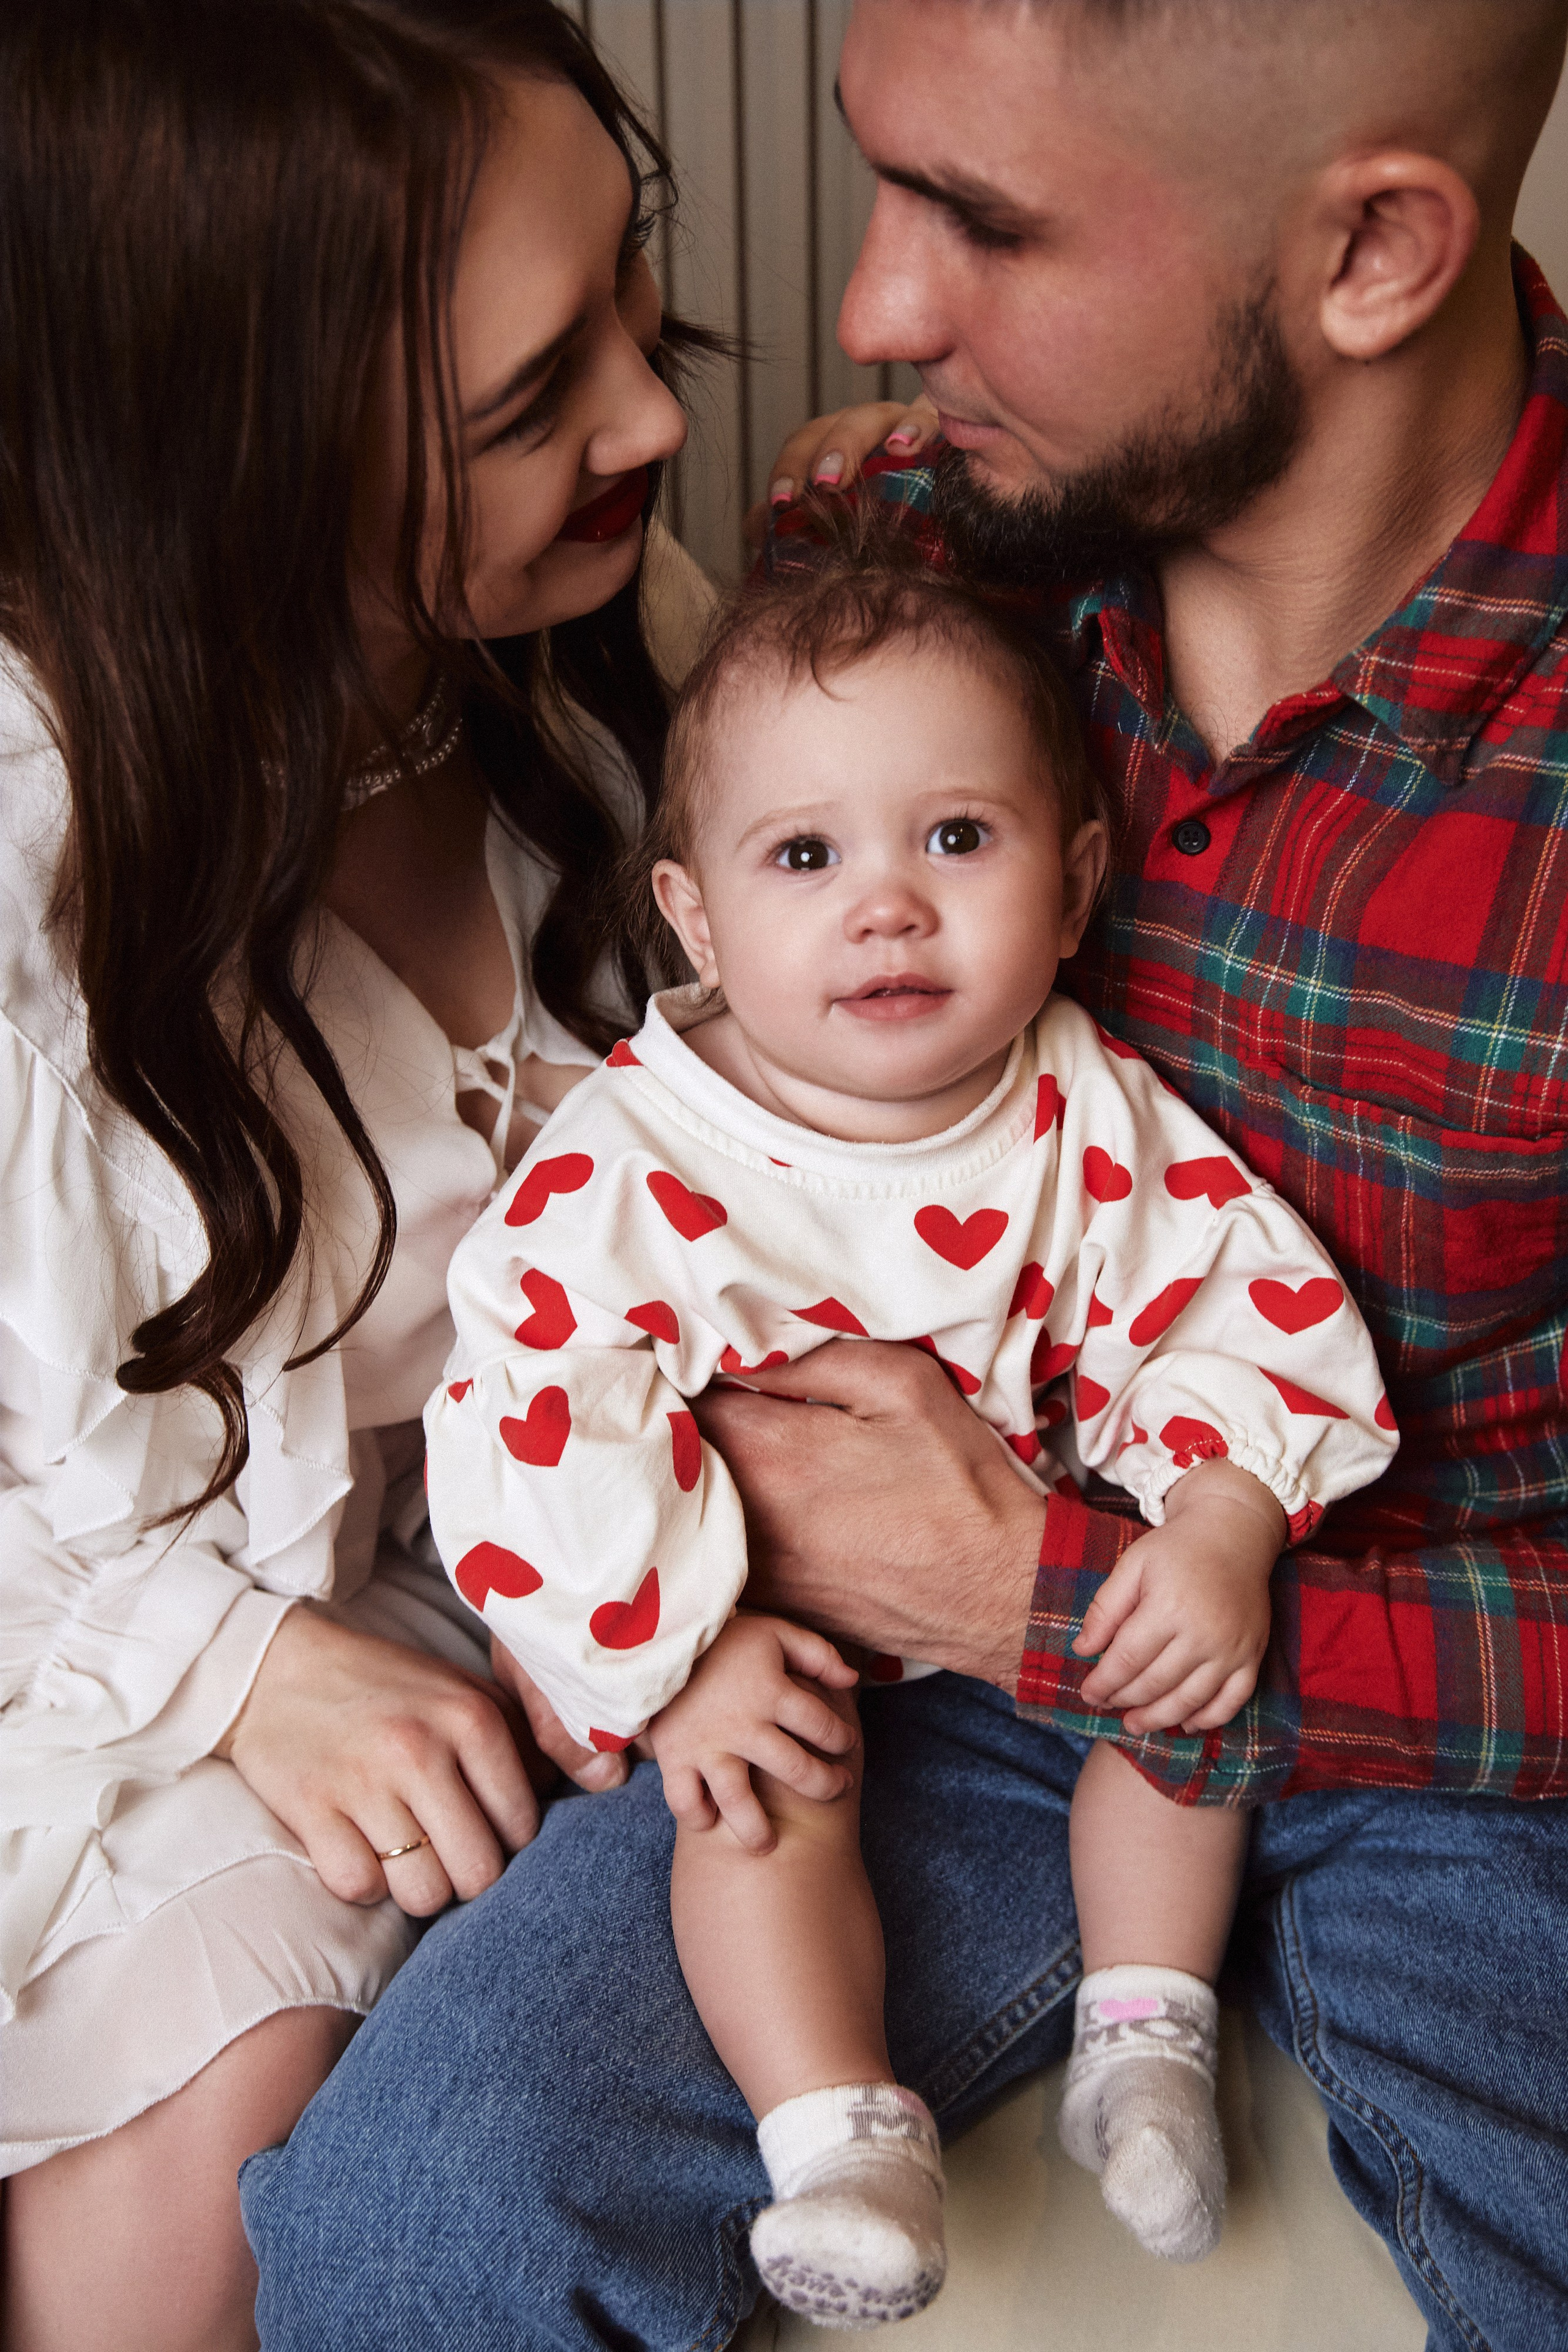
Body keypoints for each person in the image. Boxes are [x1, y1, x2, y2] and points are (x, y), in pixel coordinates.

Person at [244, 4, 1568, 2348]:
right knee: (418, 2214)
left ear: (1374, 247)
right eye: (883, 181)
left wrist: (1061, 1589)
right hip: (880, 1704)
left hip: (1443, 1732)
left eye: (982, 218)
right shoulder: (894, 550)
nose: (864, 306)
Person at [423, 540, 1398, 2317]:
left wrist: (1220, 1519)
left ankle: (1145, 2042)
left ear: (1079, 879)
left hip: (1037, 1586)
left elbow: (1226, 1293)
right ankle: (840, 2138)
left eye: (958, 839)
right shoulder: (637, 1171)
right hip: (764, 1634)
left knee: (1183, 1698)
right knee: (758, 1804)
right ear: (698, 915)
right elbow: (529, 1419)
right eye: (806, 858)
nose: (887, 905)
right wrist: (676, 1661)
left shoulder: (1081, 1107)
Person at [0, 4, 721, 2348]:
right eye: (536, 402)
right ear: (232, 461)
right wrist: (223, 1671)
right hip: (118, 1622)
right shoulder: (37, 849)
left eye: (638, 291)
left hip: (481, 1563)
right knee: (225, 2113)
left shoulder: (566, 636)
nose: (655, 416)